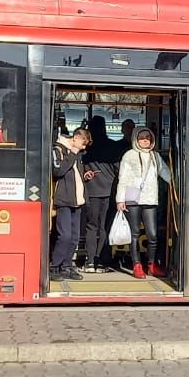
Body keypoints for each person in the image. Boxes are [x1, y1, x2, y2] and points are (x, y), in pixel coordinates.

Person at [116, 127, 171, 279]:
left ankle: (152, 264)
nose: (146, 140)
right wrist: (120, 199)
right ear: (136, 139)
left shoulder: (155, 156)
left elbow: (165, 172)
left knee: (152, 235)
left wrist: (178, 186)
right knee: (134, 233)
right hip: (132, 196)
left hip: (150, 198)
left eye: (148, 137)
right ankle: (137, 265)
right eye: (142, 137)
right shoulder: (129, 155)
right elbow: (123, 178)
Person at [80, 116, 121, 272]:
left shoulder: (87, 147)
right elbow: (119, 170)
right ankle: (102, 261)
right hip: (110, 191)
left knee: (91, 226)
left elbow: (79, 163)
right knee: (104, 227)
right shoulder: (112, 146)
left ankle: (89, 262)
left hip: (92, 190)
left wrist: (87, 172)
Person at [50, 129, 91, 281]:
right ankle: (55, 266)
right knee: (65, 235)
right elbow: (58, 170)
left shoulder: (77, 154)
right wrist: (73, 153)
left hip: (77, 199)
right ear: (76, 138)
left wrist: (84, 176)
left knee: (74, 237)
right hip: (64, 199)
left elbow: (74, 174)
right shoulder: (58, 149)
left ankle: (66, 266)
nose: (84, 147)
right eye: (83, 143)